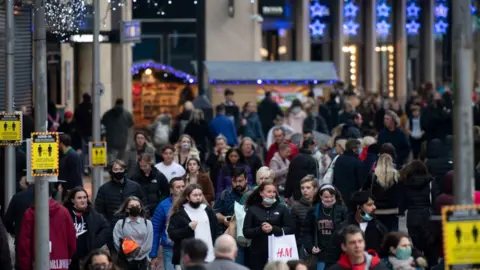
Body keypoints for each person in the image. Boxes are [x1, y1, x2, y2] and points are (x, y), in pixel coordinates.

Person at [18, 183, 77, 270]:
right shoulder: (64, 212)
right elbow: (72, 239)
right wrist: (67, 257)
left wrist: (26, 266)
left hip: (38, 264)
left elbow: (25, 245)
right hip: (61, 264)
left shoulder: (30, 214)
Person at [243, 182, 294, 270]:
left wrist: (273, 229)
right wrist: (260, 229)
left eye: (274, 192)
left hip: (278, 252)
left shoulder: (282, 208)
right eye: (269, 192)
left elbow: (290, 228)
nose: (272, 194)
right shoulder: (252, 209)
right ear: (261, 193)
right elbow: (246, 232)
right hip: (257, 253)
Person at [168, 184, 219, 266]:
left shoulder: (207, 210)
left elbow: (216, 229)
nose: (198, 197)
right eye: (195, 195)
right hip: (188, 256)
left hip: (209, 253)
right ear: (188, 197)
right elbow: (172, 234)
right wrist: (188, 228)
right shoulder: (180, 213)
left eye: (200, 195)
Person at [63, 187, 110, 270]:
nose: (83, 200)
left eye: (85, 197)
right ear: (72, 200)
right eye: (79, 198)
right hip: (68, 259)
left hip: (86, 258)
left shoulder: (93, 214)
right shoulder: (65, 215)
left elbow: (106, 227)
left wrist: (95, 243)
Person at [303, 184, 348, 269]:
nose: (329, 199)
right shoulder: (313, 211)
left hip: (338, 253)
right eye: (326, 197)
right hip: (320, 254)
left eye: (332, 196)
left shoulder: (342, 210)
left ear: (335, 196)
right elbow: (306, 231)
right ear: (320, 197)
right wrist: (310, 246)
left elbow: (347, 231)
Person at [213, 167, 252, 264]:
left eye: (240, 181)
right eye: (234, 181)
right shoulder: (225, 194)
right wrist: (224, 219)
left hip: (252, 237)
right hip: (233, 236)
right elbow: (214, 213)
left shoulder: (253, 193)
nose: (237, 184)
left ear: (246, 179)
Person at [95, 160, 147, 228]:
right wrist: (107, 225)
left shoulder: (135, 187)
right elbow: (99, 210)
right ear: (111, 171)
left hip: (133, 225)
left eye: (121, 169)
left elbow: (144, 204)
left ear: (125, 170)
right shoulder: (104, 189)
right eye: (115, 169)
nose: (119, 172)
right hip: (112, 226)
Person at [335, 191, 388, 256]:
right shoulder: (344, 228)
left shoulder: (379, 227)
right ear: (359, 208)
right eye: (369, 204)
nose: (374, 207)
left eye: (374, 204)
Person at [150, 177, 186, 270]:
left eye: (183, 186)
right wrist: (154, 253)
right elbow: (155, 231)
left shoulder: (190, 204)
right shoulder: (163, 206)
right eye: (178, 187)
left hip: (187, 249)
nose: (181, 189)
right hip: (170, 249)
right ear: (171, 190)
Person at [362, 154, 400, 232]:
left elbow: (364, 189)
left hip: (376, 209)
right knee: (392, 234)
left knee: (378, 233)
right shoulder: (396, 176)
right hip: (393, 209)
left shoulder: (373, 175)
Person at [113, 196, 153, 269]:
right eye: (131, 206)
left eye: (137, 206)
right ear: (126, 209)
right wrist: (128, 255)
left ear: (141, 208)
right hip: (125, 260)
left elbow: (148, 243)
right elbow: (117, 241)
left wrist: (138, 254)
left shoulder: (148, 223)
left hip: (143, 260)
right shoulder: (120, 223)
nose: (135, 207)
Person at [332, 139, 365, 210]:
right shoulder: (357, 162)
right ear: (354, 149)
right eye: (359, 148)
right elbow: (360, 181)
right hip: (352, 195)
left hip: (338, 192)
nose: (360, 150)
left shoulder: (339, 159)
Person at [290, 176, 318, 257]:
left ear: (315, 189)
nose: (305, 190)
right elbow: (294, 230)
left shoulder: (321, 205)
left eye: (308, 188)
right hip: (303, 247)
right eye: (302, 188)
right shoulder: (296, 207)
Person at [58, 134, 84, 200]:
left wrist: (73, 190)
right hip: (67, 189)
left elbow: (76, 174)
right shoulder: (65, 155)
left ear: (61, 143)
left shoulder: (72, 155)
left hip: (71, 190)